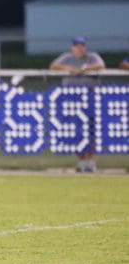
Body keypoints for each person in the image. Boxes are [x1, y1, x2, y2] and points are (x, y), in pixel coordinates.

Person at [49, 36, 105, 173]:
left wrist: (85, 68)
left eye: (82, 46)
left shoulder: (92, 57)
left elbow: (101, 65)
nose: (79, 48)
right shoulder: (66, 57)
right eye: (77, 46)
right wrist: (69, 68)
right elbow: (53, 66)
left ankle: (91, 161)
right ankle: (81, 161)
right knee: (75, 132)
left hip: (90, 99)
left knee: (91, 131)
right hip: (72, 100)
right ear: (72, 47)